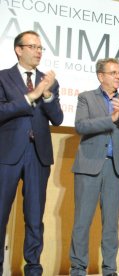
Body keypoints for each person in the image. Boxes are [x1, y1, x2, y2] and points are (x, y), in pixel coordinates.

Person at [0, 30, 64, 275]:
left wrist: (47, 95)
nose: (39, 51)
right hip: (7, 155)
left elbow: (57, 119)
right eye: (33, 46)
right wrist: (31, 97)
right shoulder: (3, 78)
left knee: (35, 217)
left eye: (40, 47)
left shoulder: (49, 82)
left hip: (38, 155)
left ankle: (33, 269)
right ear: (19, 49)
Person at [69, 58, 119, 276]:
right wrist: (111, 118)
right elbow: (81, 126)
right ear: (101, 76)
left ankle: (110, 270)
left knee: (111, 223)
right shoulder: (86, 98)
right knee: (82, 221)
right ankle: (78, 269)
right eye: (113, 73)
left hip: (116, 168)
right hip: (88, 165)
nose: (118, 76)